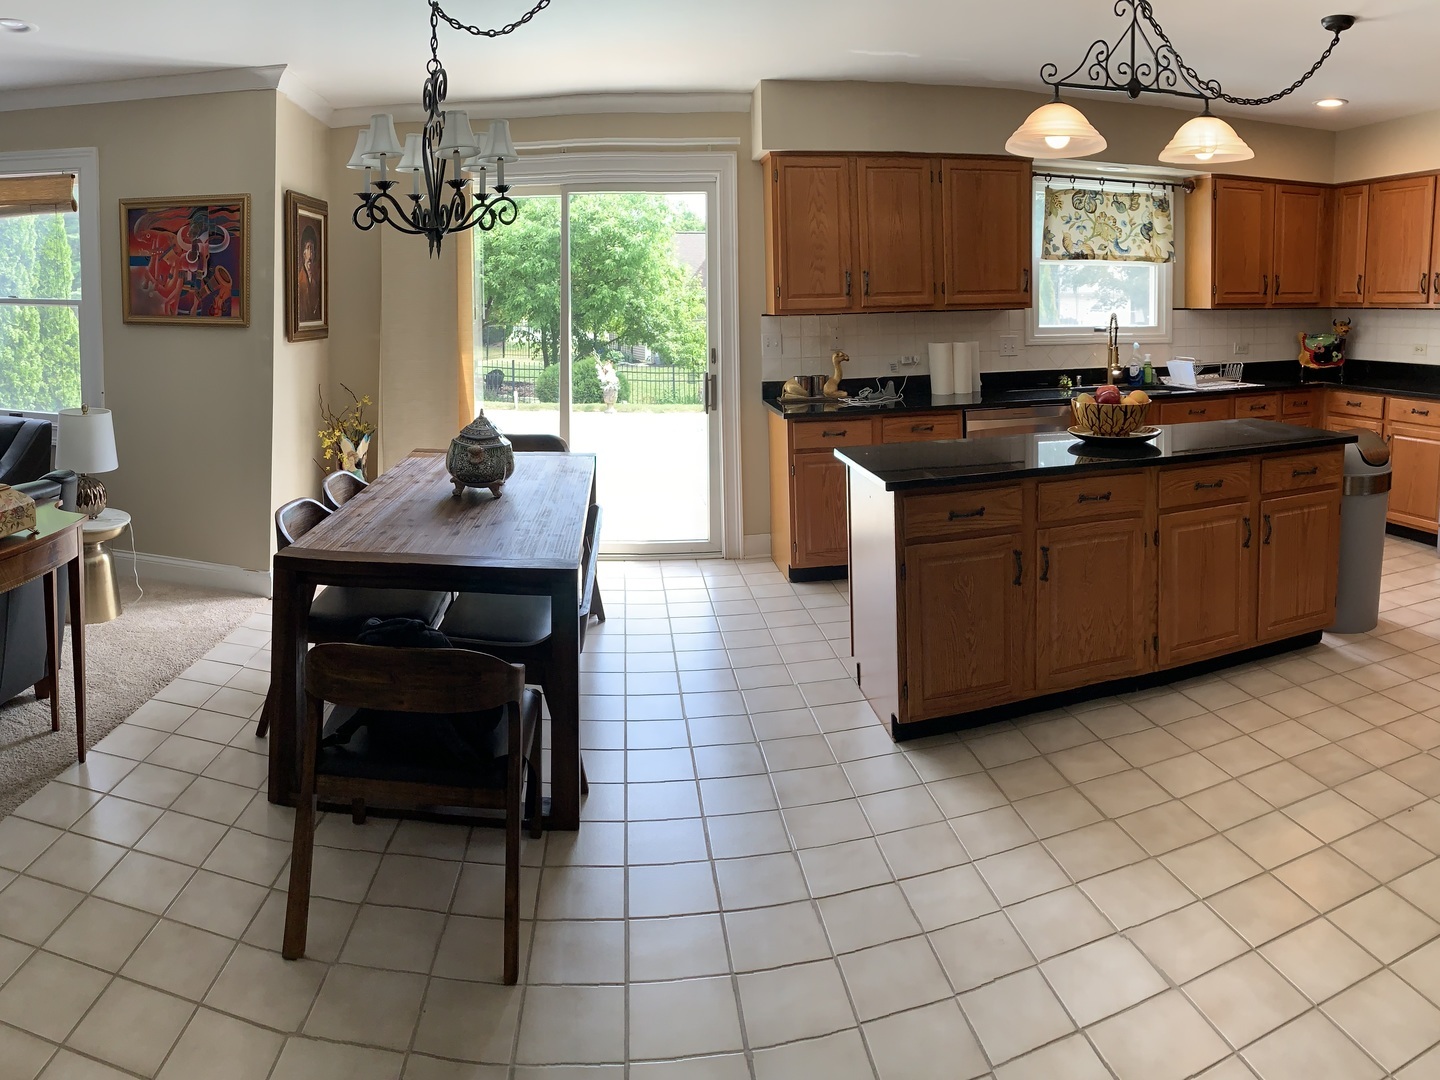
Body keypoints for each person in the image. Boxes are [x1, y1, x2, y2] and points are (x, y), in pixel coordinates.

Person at [297, 225, 321, 323]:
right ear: (303, 253)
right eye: (308, 248)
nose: (311, 253)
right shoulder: (300, 282)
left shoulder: (315, 282)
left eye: (312, 248)